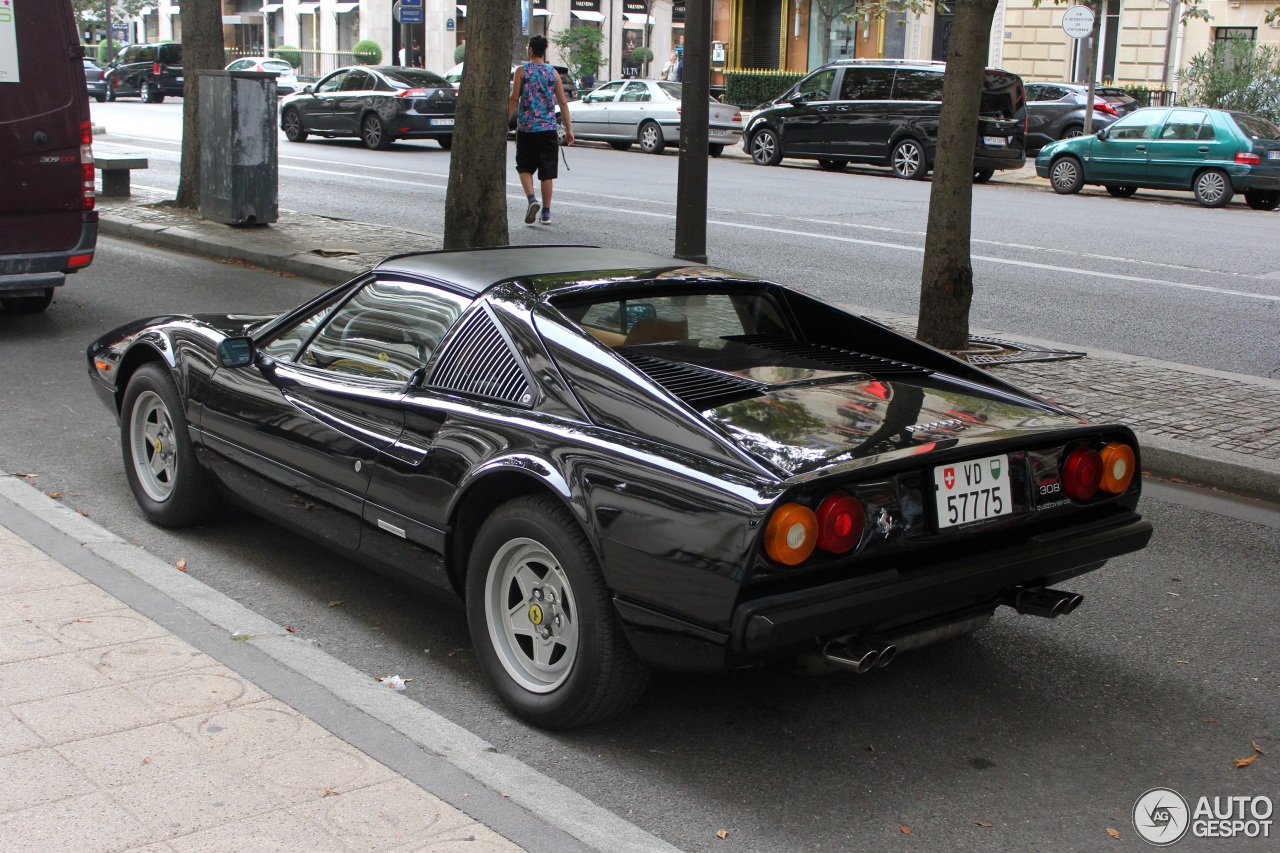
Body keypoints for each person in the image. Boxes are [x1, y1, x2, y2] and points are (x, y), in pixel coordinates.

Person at [508, 35, 574, 226]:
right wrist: (569, 129)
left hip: (527, 128)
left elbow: (514, 98)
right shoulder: (553, 73)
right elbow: (562, 103)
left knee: (524, 167)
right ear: (543, 51)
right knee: (547, 172)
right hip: (548, 129)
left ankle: (531, 200)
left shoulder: (522, 71)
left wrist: (506, 119)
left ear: (530, 50)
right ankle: (546, 213)